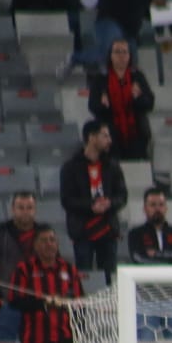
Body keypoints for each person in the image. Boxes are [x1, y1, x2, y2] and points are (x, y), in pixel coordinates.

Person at [11, 224, 84, 343]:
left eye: (52, 240)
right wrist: (44, 304)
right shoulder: (24, 269)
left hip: (65, 341)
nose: (49, 244)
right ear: (35, 245)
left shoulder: (70, 270)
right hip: (35, 341)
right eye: (44, 240)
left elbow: (79, 302)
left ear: (57, 244)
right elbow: (14, 300)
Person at [60, 119, 127, 286]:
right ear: (91, 137)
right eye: (105, 136)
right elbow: (67, 200)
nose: (109, 140)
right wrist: (91, 206)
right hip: (83, 231)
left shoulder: (112, 166)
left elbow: (122, 195)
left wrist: (109, 203)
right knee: (85, 279)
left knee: (109, 279)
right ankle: (85, 311)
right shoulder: (70, 167)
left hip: (108, 230)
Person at [126, 186, 172, 339]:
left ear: (166, 208)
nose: (157, 209)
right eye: (153, 205)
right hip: (146, 298)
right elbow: (139, 258)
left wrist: (157, 254)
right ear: (145, 208)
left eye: (161, 205)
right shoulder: (136, 233)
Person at [0, 191, 39, 343]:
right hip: (7, 306)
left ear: (35, 209)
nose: (25, 212)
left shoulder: (44, 235)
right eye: (21, 207)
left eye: (29, 207)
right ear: (12, 209)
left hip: (37, 308)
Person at [87, 38, 154, 161]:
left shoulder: (137, 77)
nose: (121, 56)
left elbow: (149, 103)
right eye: (117, 52)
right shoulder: (100, 79)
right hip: (109, 134)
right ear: (110, 56)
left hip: (135, 133)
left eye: (125, 52)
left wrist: (138, 98)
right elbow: (92, 106)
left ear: (129, 56)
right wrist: (103, 105)